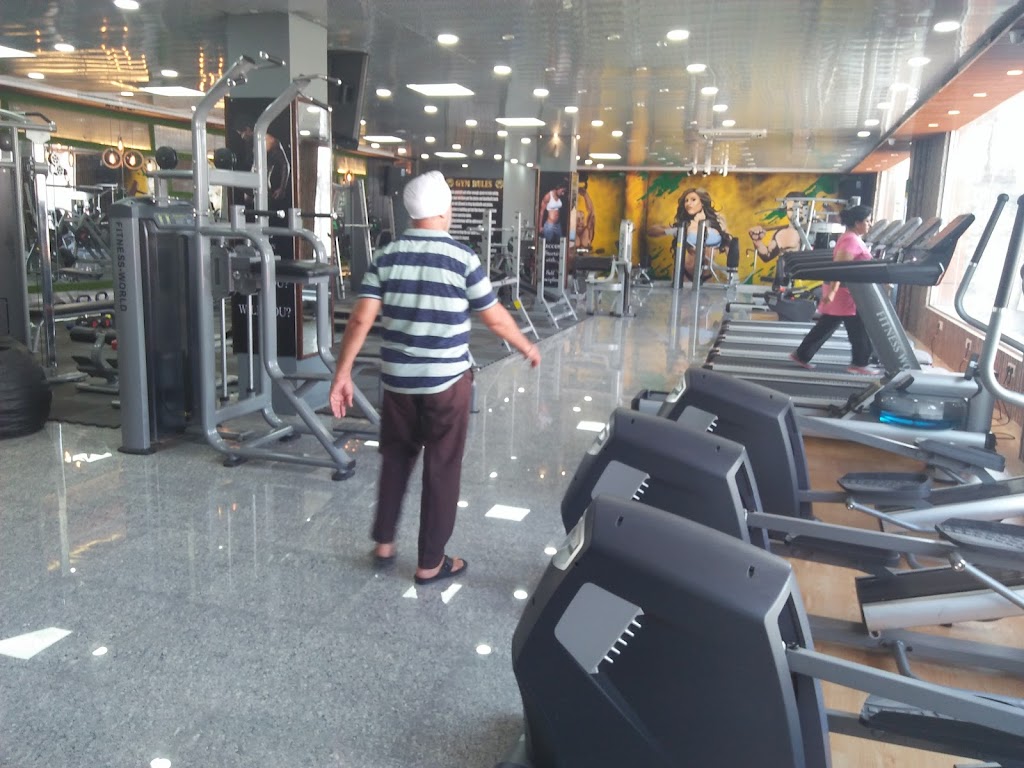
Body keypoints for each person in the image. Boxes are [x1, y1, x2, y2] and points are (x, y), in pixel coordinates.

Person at [329, 171, 541, 586]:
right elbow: (494, 318)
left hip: (398, 384)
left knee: (395, 458)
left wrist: (343, 374)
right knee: (442, 466)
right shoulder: (462, 258)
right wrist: (526, 346)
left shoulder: (386, 256)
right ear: (446, 210)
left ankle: (384, 542)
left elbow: (360, 319)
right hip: (447, 384)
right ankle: (430, 562)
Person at [789, 204, 876, 374]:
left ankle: (802, 355)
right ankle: (860, 363)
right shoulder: (851, 240)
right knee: (857, 328)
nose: (870, 224)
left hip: (846, 293)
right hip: (845, 294)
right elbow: (840, 268)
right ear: (857, 223)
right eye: (867, 221)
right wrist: (833, 293)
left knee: (827, 325)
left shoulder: (851, 238)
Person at [646, 187, 728, 281]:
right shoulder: (685, 224)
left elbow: (728, 243)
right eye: (686, 201)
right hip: (685, 274)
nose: (689, 203)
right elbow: (651, 231)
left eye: (693, 200)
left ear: (702, 202)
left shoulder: (718, 221)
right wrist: (674, 231)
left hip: (707, 275)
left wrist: (734, 272)